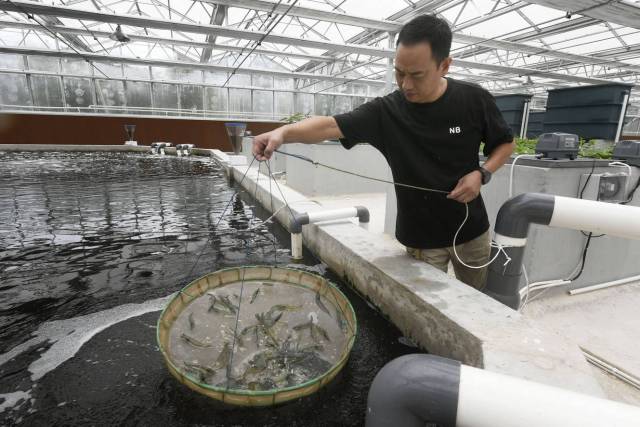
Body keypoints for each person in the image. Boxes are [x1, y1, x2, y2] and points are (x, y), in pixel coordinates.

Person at [252, 14, 514, 290]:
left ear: (444, 66)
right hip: (421, 239)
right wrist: (282, 133)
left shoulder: (473, 100)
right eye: (399, 72)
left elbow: (505, 144)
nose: (406, 84)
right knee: (426, 306)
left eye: (417, 75)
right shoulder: (386, 112)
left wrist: (482, 173)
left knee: (479, 300)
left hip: (471, 230)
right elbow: (330, 126)